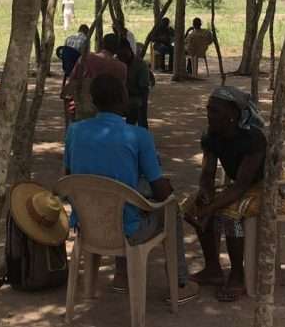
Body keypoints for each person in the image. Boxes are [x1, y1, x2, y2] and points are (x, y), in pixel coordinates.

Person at [63, 74, 199, 302]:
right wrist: (164, 186)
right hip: (127, 229)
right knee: (169, 209)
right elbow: (161, 193)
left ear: (94, 101)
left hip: (87, 225)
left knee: (124, 195)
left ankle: (121, 275)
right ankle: (180, 282)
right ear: (123, 99)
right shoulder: (139, 136)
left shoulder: (74, 131)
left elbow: (70, 176)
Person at [183, 87, 267, 302]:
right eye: (208, 109)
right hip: (238, 187)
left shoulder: (253, 139)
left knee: (231, 218)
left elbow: (241, 186)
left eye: (215, 111)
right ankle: (213, 268)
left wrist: (211, 208)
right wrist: (205, 194)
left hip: (264, 188)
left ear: (233, 115)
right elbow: (207, 174)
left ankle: (237, 274)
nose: (209, 115)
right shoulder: (211, 136)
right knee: (192, 208)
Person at [62, 33, 128, 122]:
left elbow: (73, 80)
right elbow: (121, 91)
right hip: (110, 112)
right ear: (117, 48)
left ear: (102, 44)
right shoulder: (121, 67)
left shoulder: (86, 58)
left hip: (85, 108)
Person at [118, 40, 151, 128]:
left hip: (135, 95)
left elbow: (143, 89)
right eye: (120, 56)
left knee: (137, 108)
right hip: (118, 96)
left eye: (124, 55)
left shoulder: (140, 65)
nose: (122, 58)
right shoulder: (116, 62)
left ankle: (141, 131)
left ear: (129, 51)